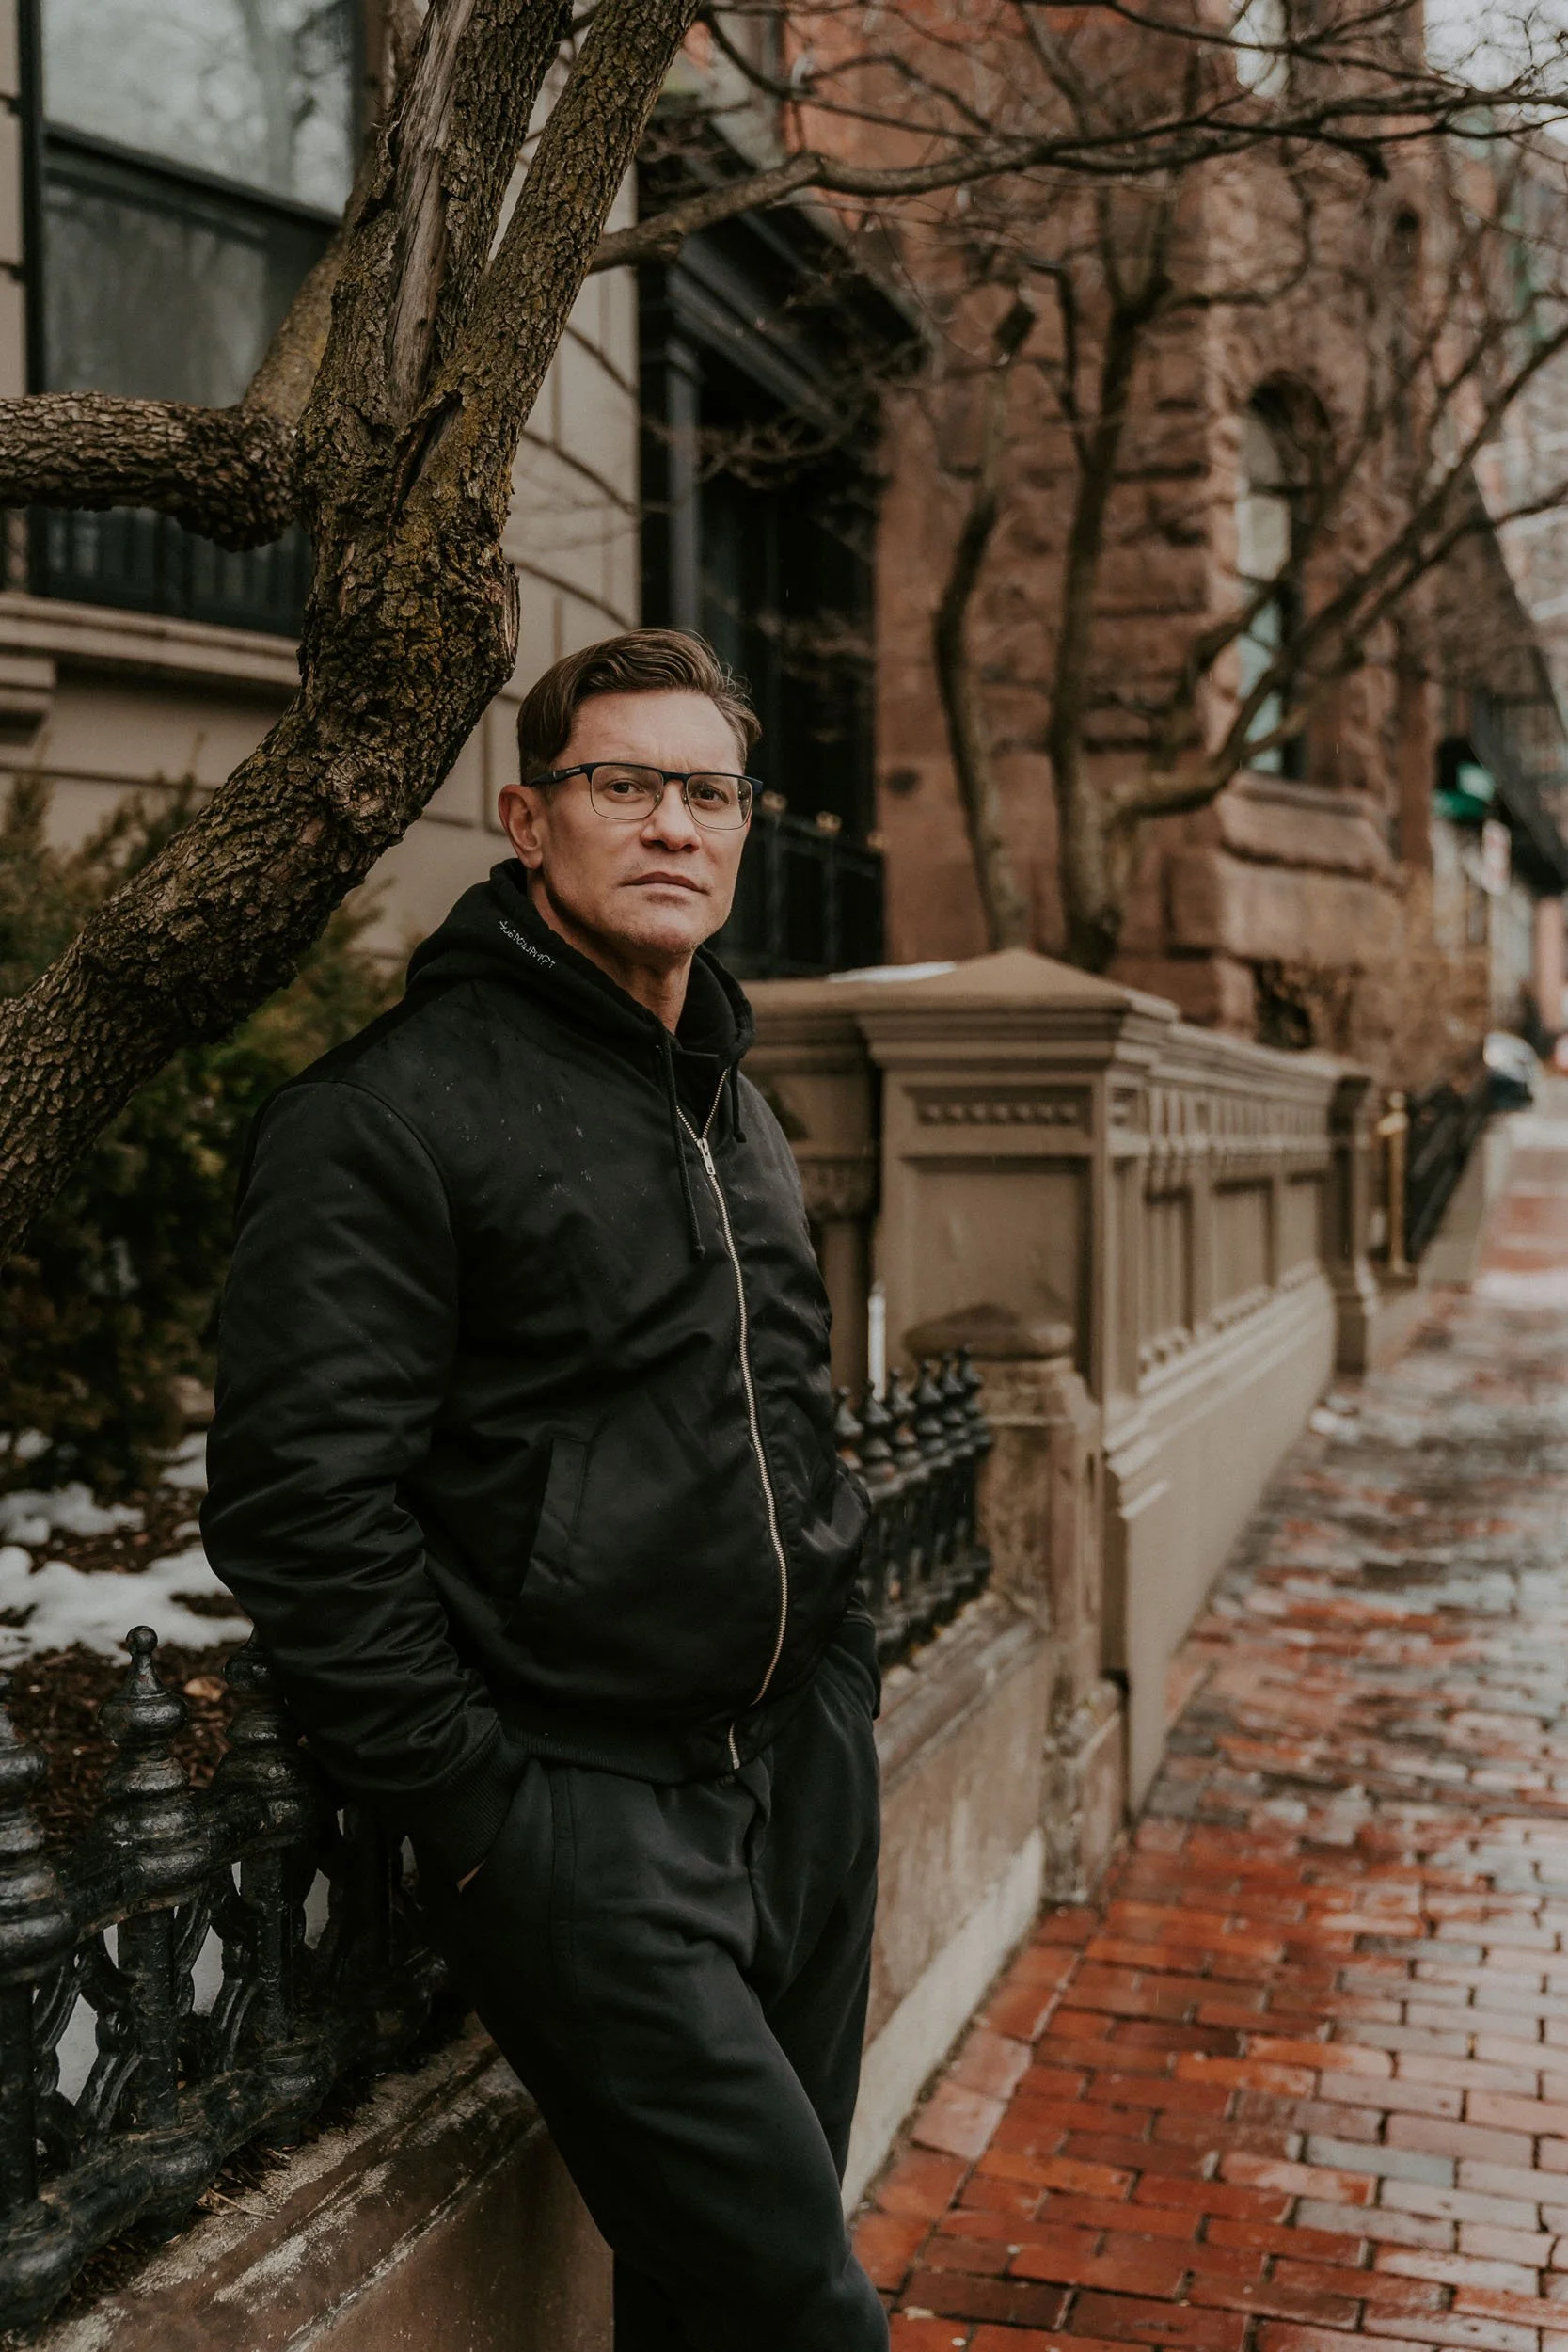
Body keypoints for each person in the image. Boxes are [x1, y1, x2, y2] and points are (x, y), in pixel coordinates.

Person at [201, 628, 888, 2351]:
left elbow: (783, 1403)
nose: (673, 825)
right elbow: (302, 1508)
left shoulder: (728, 1096)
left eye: (707, 792)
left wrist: (841, 1645)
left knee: (711, 2290)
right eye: (625, 785)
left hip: (795, 1772)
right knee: (802, 2309)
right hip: (587, 1818)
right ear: (528, 816)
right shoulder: (387, 1116)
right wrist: (496, 1816)